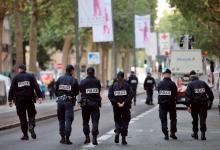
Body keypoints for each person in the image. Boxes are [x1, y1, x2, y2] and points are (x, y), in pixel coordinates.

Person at [8, 64, 43, 140]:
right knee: (32, 114)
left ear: (19, 69)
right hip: (29, 99)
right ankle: (31, 125)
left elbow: (12, 89)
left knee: (22, 117)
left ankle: (25, 135)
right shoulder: (31, 76)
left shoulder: (15, 77)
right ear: (25, 69)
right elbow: (36, 86)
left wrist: (10, 100)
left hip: (19, 101)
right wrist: (40, 96)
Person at [185, 70, 214, 140]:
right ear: (197, 77)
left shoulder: (190, 85)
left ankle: (195, 134)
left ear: (190, 78)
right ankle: (203, 135)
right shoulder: (203, 83)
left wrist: (188, 106)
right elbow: (210, 93)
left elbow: (188, 96)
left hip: (194, 105)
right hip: (203, 104)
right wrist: (210, 101)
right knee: (203, 119)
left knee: (195, 119)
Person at [55, 64, 79, 145]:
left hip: (60, 102)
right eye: (73, 70)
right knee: (68, 120)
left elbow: (55, 89)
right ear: (71, 70)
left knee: (61, 120)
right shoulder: (73, 80)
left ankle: (62, 138)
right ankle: (67, 138)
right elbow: (76, 91)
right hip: (68, 102)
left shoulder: (60, 78)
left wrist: (59, 95)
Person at [108, 71, 133, 145]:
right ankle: (123, 139)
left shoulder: (113, 86)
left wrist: (117, 102)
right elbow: (131, 95)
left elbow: (110, 96)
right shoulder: (127, 86)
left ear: (117, 77)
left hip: (116, 107)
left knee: (117, 120)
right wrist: (124, 102)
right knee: (125, 121)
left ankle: (118, 130)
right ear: (123, 77)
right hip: (125, 107)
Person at [79, 67, 102, 145]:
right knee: (95, 122)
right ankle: (94, 138)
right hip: (95, 104)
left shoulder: (83, 82)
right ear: (94, 73)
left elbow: (81, 90)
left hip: (85, 105)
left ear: (87, 73)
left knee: (85, 122)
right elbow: (99, 90)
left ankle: (87, 138)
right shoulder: (97, 81)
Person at [157, 69, 178, 140]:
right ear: (169, 75)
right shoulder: (172, 83)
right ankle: (173, 133)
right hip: (171, 104)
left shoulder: (160, 83)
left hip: (162, 104)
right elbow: (175, 93)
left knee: (163, 119)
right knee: (173, 118)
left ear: (164, 75)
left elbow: (158, 91)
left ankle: (166, 134)